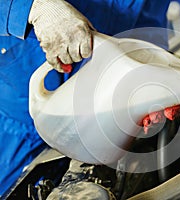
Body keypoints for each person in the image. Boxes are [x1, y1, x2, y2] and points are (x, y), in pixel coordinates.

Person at [0, 0, 170, 196]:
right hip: (16, 123)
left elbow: (147, 17)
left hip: (99, 118)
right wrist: (34, 8)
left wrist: (148, 72)